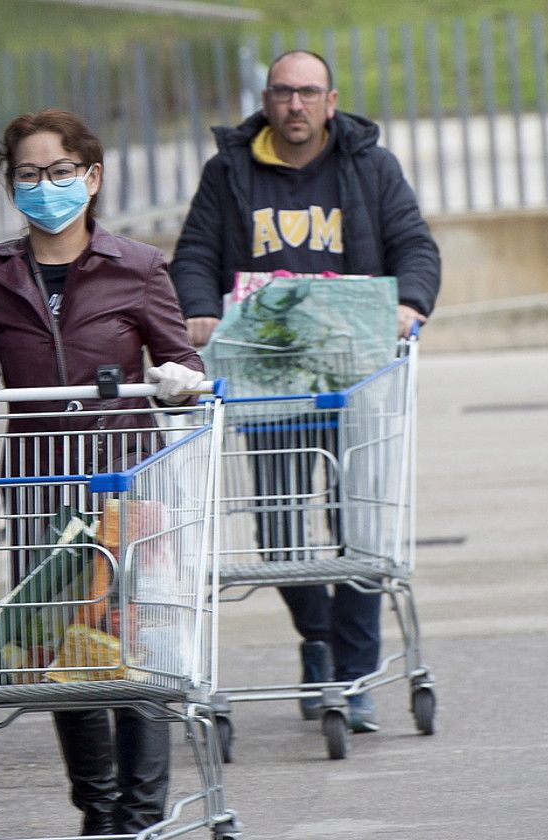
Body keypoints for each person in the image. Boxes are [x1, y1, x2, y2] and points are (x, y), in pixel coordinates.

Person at [169, 49, 441, 733]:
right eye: (283, 92)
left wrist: (410, 301)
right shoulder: (229, 172)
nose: (295, 105)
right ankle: (317, 639)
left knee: (360, 525)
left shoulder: (370, 167)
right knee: (281, 531)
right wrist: (198, 305)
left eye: (308, 93)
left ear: (331, 99)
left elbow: (414, 244)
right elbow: (196, 252)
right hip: (268, 379)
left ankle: (352, 674)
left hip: (358, 378)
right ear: (266, 99)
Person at [0, 108, 205, 837]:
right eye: (29, 175)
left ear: (91, 176)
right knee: (65, 656)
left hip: (124, 486)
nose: (45, 187)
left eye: (59, 172)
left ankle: (140, 815)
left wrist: (178, 378)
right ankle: (98, 811)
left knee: (131, 651)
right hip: (40, 490)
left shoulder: (137, 268)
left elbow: (183, 360)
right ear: (11, 185)